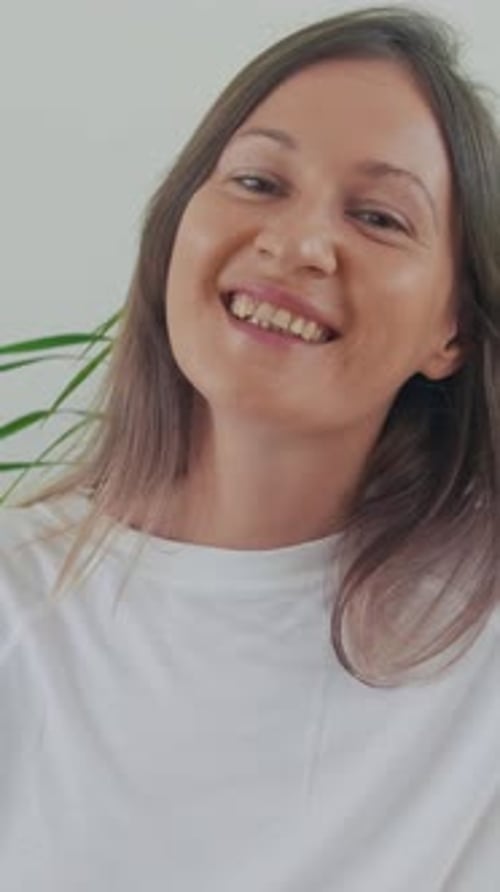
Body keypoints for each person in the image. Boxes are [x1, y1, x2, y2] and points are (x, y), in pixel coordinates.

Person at [1, 5, 499, 890]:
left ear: (452, 331)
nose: (298, 244)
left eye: (380, 218)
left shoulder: (477, 636)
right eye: (260, 182)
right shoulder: (20, 604)